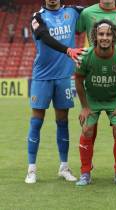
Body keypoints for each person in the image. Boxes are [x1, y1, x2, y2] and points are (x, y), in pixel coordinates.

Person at [25, 0, 85, 184]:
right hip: (42, 76)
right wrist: (68, 50)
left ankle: (64, 167)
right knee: (37, 121)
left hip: (64, 77)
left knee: (62, 122)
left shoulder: (74, 12)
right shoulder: (37, 17)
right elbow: (43, 36)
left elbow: (99, 10)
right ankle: (31, 169)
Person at [74, 19, 116, 186]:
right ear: (95, 36)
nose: (104, 37)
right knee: (87, 130)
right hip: (92, 99)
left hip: (114, 99)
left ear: (114, 36)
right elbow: (78, 81)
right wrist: (85, 107)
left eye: (108, 34)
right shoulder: (85, 56)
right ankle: (85, 173)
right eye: (101, 34)